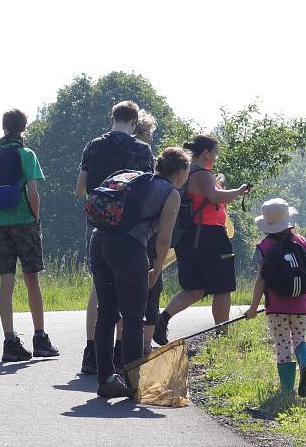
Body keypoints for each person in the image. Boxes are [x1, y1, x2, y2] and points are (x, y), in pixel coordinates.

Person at [90, 147, 189, 398]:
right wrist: (155, 270)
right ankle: (135, 384)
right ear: (180, 172)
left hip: (98, 241)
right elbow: (163, 240)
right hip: (128, 247)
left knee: (107, 312)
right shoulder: (171, 193)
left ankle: (106, 379)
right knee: (134, 316)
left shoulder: (133, 177)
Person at [75, 101, 154, 374]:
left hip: (98, 224)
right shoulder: (141, 149)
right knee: (126, 288)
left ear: (112, 118)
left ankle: (91, 352)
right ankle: (120, 350)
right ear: (134, 122)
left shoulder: (93, 145)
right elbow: (149, 188)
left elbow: (80, 188)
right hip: (130, 228)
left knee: (99, 288)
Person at [152, 134, 249, 345]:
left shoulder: (185, 174)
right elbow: (215, 196)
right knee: (222, 288)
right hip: (209, 236)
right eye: (215, 153)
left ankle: (162, 319)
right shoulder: (204, 174)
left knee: (194, 289)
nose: (215, 157)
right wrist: (239, 191)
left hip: (188, 237)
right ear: (206, 153)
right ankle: (222, 335)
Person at [0, 109, 59, 362]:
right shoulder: (26, 154)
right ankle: (40, 338)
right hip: (24, 221)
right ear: (23, 128)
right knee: (31, 281)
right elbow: (33, 193)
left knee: (6, 283)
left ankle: (10, 340)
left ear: (3, 128)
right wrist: (36, 218)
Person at [245, 198, 306, 397]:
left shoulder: (264, 247)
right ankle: (305, 364)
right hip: (301, 304)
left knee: (282, 344)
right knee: (299, 338)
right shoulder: (301, 241)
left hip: (275, 307)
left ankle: (286, 391)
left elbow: (260, 280)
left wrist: (253, 308)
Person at [133, 110, 161, 353]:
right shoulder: (143, 153)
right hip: (143, 233)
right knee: (151, 287)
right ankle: (143, 346)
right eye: (151, 134)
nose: (152, 138)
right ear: (142, 132)